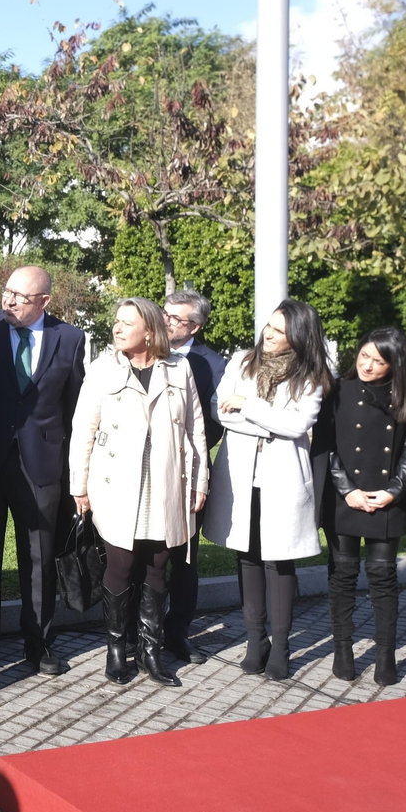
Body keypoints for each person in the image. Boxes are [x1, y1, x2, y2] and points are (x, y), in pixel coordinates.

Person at [0, 265, 86, 675]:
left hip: (42, 465)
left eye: (20, 297)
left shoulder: (70, 338)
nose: (8, 301)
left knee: (39, 557)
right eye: (7, 292)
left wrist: (76, 470)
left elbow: (75, 407)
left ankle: (39, 642)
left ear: (44, 301)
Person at [70, 299, 209, 687]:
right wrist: (78, 486)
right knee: (120, 566)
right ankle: (117, 650)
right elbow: (82, 430)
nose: (116, 328)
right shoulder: (102, 369)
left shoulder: (179, 368)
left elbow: (195, 429)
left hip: (166, 484)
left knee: (157, 567)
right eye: (115, 321)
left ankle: (151, 652)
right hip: (117, 486)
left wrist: (200, 480)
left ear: (149, 330)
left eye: (125, 323)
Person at [204, 299, 332, 680]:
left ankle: (281, 643)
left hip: (283, 479)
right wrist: (265, 420)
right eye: (269, 326)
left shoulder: (311, 375)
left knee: (280, 560)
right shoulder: (242, 360)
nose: (268, 334)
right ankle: (254, 639)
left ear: (299, 336)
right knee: (247, 556)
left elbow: (297, 426)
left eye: (279, 330)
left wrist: (248, 405)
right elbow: (218, 410)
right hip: (242, 476)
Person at [319, 327, 406, 687]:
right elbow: (326, 445)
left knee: (383, 577)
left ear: (394, 364)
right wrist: (347, 489)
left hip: (386, 501)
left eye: (378, 361)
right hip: (344, 498)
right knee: (342, 576)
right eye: (364, 356)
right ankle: (343, 651)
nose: (368, 365)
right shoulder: (337, 391)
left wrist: (394, 490)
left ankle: (385, 656)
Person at [161, 290, 227, 662]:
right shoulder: (143, 349)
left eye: (176, 318)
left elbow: (215, 425)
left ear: (195, 326)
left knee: (184, 558)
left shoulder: (212, 364)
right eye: (165, 313)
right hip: (142, 471)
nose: (167, 321)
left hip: (189, 471)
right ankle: (143, 629)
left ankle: (178, 632)